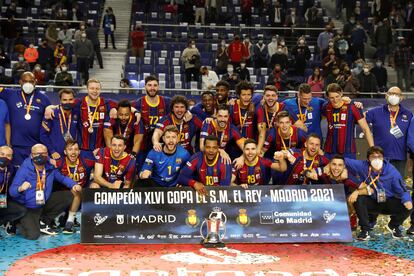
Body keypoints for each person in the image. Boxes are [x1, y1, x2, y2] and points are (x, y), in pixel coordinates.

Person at [9, 144, 81, 240]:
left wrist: (74, 184)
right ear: (31, 155)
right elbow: (12, 192)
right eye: (37, 154)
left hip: (43, 203)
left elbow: (62, 178)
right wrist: (20, 188)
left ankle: (43, 221)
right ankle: (16, 220)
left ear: (47, 155)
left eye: (43, 153)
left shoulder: (50, 167)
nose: (40, 156)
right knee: (33, 236)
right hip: (28, 207)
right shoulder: (24, 169)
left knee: (69, 195)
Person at [346, 146, 412, 240]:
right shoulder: (362, 165)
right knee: (359, 199)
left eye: (379, 156)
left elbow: (403, 190)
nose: (377, 159)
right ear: (368, 159)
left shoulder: (392, 171)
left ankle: (394, 225)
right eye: (373, 156)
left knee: (408, 205)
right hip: (372, 200)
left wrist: (407, 200)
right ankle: (365, 230)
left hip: (388, 202)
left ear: (383, 158)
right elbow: (343, 161)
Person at [0, 72, 51, 166]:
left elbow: (53, 111)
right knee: (15, 174)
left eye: (31, 81)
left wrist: (51, 107)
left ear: (35, 82)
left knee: (33, 175)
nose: (28, 84)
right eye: (25, 81)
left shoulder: (43, 98)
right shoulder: (9, 94)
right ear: (20, 82)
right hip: (15, 146)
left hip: (35, 147)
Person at [365, 87, 412, 176]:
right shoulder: (375, 112)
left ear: (402, 97)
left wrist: (411, 157)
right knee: (379, 184)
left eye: (397, 94)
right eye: (391, 93)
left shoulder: (408, 115)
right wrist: (354, 105)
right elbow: (358, 119)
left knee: (397, 184)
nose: (393, 96)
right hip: (379, 156)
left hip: (400, 157)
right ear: (386, 96)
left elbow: (411, 137)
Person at [322, 83, 374, 159]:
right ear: (328, 97)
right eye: (332, 98)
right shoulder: (326, 107)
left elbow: (365, 129)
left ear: (341, 93)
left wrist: (373, 149)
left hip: (348, 152)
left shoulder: (353, 107)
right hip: (329, 151)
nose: (335, 100)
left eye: (337, 96)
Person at [56, 139, 96, 234]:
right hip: (64, 197)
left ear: (79, 152)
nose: (73, 152)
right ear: (65, 152)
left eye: (76, 149)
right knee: (73, 191)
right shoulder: (59, 163)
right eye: (70, 149)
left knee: (94, 186)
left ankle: (91, 221)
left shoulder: (86, 162)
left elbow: (101, 163)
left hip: (82, 193)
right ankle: (66, 220)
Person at [132, 75, 171, 169]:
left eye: (155, 85)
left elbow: (181, 105)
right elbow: (123, 106)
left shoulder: (166, 102)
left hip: (161, 143)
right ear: (145, 86)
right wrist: (135, 111)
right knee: (141, 170)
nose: (152, 88)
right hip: (143, 143)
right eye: (149, 85)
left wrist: (187, 112)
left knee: (159, 170)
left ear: (158, 87)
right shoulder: (139, 103)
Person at [40, 89, 78, 161]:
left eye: (70, 99)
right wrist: (52, 151)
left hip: (72, 155)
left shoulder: (77, 113)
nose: (67, 102)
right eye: (65, 100)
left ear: (74, 100)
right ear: (60, 100)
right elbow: (43, 135)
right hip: (56, 155)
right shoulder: (51, 113)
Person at [0, 146, 26, 237]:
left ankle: (5, 223)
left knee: (21, 210)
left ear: (11, 158)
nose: (4, 157)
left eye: (8, 155)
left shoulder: (11, 168)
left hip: (2, 199)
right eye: (2, 154)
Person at [256, 85, 286, 153]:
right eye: (268, 95)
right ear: (263, 97)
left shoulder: (284, 108)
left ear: (277, 97)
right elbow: (262, 132)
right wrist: (258, 150)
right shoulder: (261, 109)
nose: (270, 98)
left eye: (273, 95)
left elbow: (299, 126)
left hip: (280, 147)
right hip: (264, 145)